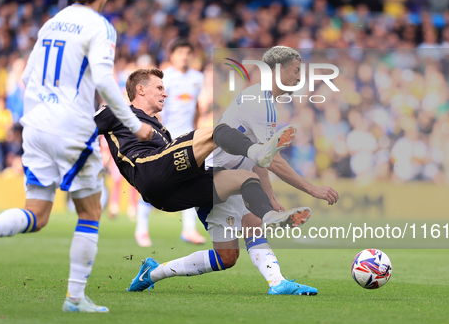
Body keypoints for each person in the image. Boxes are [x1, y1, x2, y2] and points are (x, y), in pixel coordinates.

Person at [0, 0, 154, 313]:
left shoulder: (51, 23)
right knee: (91, 211)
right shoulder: (100, 26)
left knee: (38, 212)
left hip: (35, 126)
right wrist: (133, 122)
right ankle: (75, 298)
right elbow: (102, 79)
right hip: (71, 127)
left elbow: (26, 77)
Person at [128, 46, 339, 295]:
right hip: (213, 179)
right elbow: (271, 160)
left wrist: (269, 195)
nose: (299, 76)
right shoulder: (260, 102)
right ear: (279, 70)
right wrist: (312, 189)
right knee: (230, 252)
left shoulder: (260, 98)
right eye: (295, 70)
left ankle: (277, 282)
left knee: (242, 236)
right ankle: (153, 272)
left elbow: (261, 156)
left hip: (235, 179)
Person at [94, 68, 312, 230]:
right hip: (148, 168)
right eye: (160, 88)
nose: (165, 94)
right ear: (140, 89)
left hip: (167, 195)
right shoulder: (117, 110)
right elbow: (84, 129)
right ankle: (257, 152)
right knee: (216, 131)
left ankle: (269, 216)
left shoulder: (161, 129)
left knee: (245, 178)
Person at [134, 38, 206, 247]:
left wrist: (195, 130)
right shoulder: (164, 77)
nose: (183, 56)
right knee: (153, 183)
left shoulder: (197, 78)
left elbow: (198, 106)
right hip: (165, 136)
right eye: (179, 52)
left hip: (187, 136)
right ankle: (141, 229)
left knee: (191, 180)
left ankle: (189, 230)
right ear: (172, 55)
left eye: (187, 52)